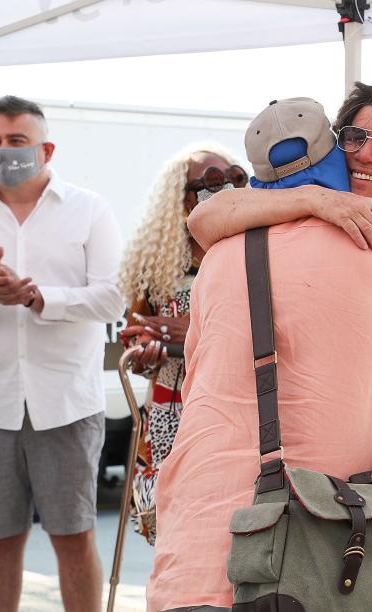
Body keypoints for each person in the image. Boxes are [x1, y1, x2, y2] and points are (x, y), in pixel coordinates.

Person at [148, 96, 372, 612]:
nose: (366, 154)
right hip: (317, 551)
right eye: (355, 141)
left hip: (196, 534)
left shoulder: (221, 254)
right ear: (337, 157)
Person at [0, 95, 124, 612]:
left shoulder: (89, 209)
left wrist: (37, 297)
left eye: (17, 142)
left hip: (67, 405)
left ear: (46, 148)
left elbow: (112, 296)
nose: (3, 151)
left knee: (74, 537)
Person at [118, 142, 246, 544]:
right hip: (170, 411)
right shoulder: (153, 269)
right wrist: (147, 351)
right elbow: (135, 341)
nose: (223, 188)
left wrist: (193, 330)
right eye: (208, 182)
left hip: (236, 410)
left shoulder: (255, 253)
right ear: (183, 199)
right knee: (174, 534)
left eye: (233, 178)